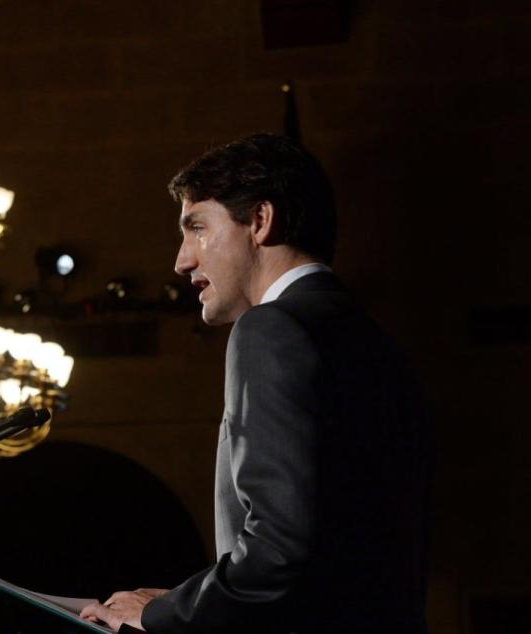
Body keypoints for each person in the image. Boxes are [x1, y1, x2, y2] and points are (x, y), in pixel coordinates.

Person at [81, 133, 433, 634]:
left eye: (197, 227)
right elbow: (334, 552)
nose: (182, 260)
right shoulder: (375, 341)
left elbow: (279, 550)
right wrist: (192, 600)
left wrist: (160, 615)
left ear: (260, 222)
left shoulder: (270, 328)